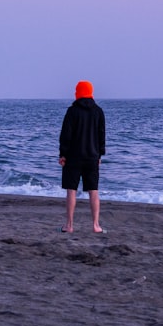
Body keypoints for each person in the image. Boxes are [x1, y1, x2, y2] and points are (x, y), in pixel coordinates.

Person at [58, 80, 106, 234]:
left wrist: (62, 154)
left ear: (78, 92)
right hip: (92, 156)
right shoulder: (98, 111)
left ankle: (69, 225)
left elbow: (66, 135)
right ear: (90, 92)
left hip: (73, 157)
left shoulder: (72, 111)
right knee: (93, 191)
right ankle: (96, 225)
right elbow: (101, 135)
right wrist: (100, 154)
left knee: (71, 190)